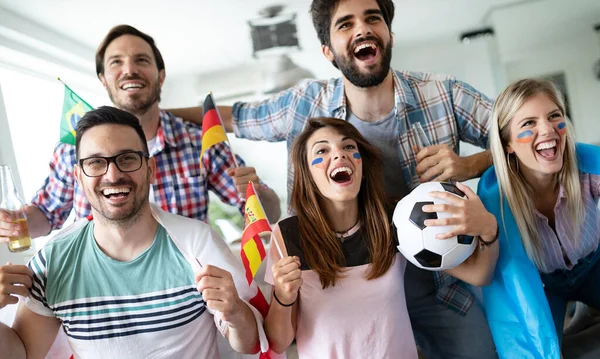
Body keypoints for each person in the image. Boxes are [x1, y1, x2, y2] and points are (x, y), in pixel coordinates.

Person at [170, 0, 498, 356]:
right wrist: (143, 117)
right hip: (341, 291)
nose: (362, 29)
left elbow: (530, 133)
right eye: (345, 24)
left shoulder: (442, 93)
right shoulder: (305, 106)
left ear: (389, 33)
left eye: (373, 18)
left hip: (439, 282)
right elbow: (234, 117)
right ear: (327, 50)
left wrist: (474, 163)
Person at [0, 106, 267, 359]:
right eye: (95, 162)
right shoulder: (53, 260)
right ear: (78, 177)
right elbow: (21, 352)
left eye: (127, 158)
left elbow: (250, 343)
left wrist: (234, 311)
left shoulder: (198, 243)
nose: (113, 175)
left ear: (150, 170)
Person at [0, 24, 280, 243]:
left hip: (189, 290)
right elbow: (46, 216)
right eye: (116, 63)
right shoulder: (74, 149)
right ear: (103, 80)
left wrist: (258, 195)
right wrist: (13, 223)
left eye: (141, 60)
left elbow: (266, 212)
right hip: (104, 290)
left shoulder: (200, 142)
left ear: (161, 76)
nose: (130, 70)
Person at [261, 117, 498, 358]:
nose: (339, 155)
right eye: (322, 150)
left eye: (348, 147)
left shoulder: (398, 218)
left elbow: (479, 274)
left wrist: (489, 229)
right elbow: (279, 343)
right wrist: (283, 297)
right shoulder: (288, 234)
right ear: (307, 173)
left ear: (361, 166)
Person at [478, 78, 600, 359]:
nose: (546, 130)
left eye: (554, 116)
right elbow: (508, 282)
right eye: (528, 123)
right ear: (507, 143)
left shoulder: (589, 167)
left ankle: (586, 310)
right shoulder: (495, 200)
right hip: (545, 284)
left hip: (594, 265)